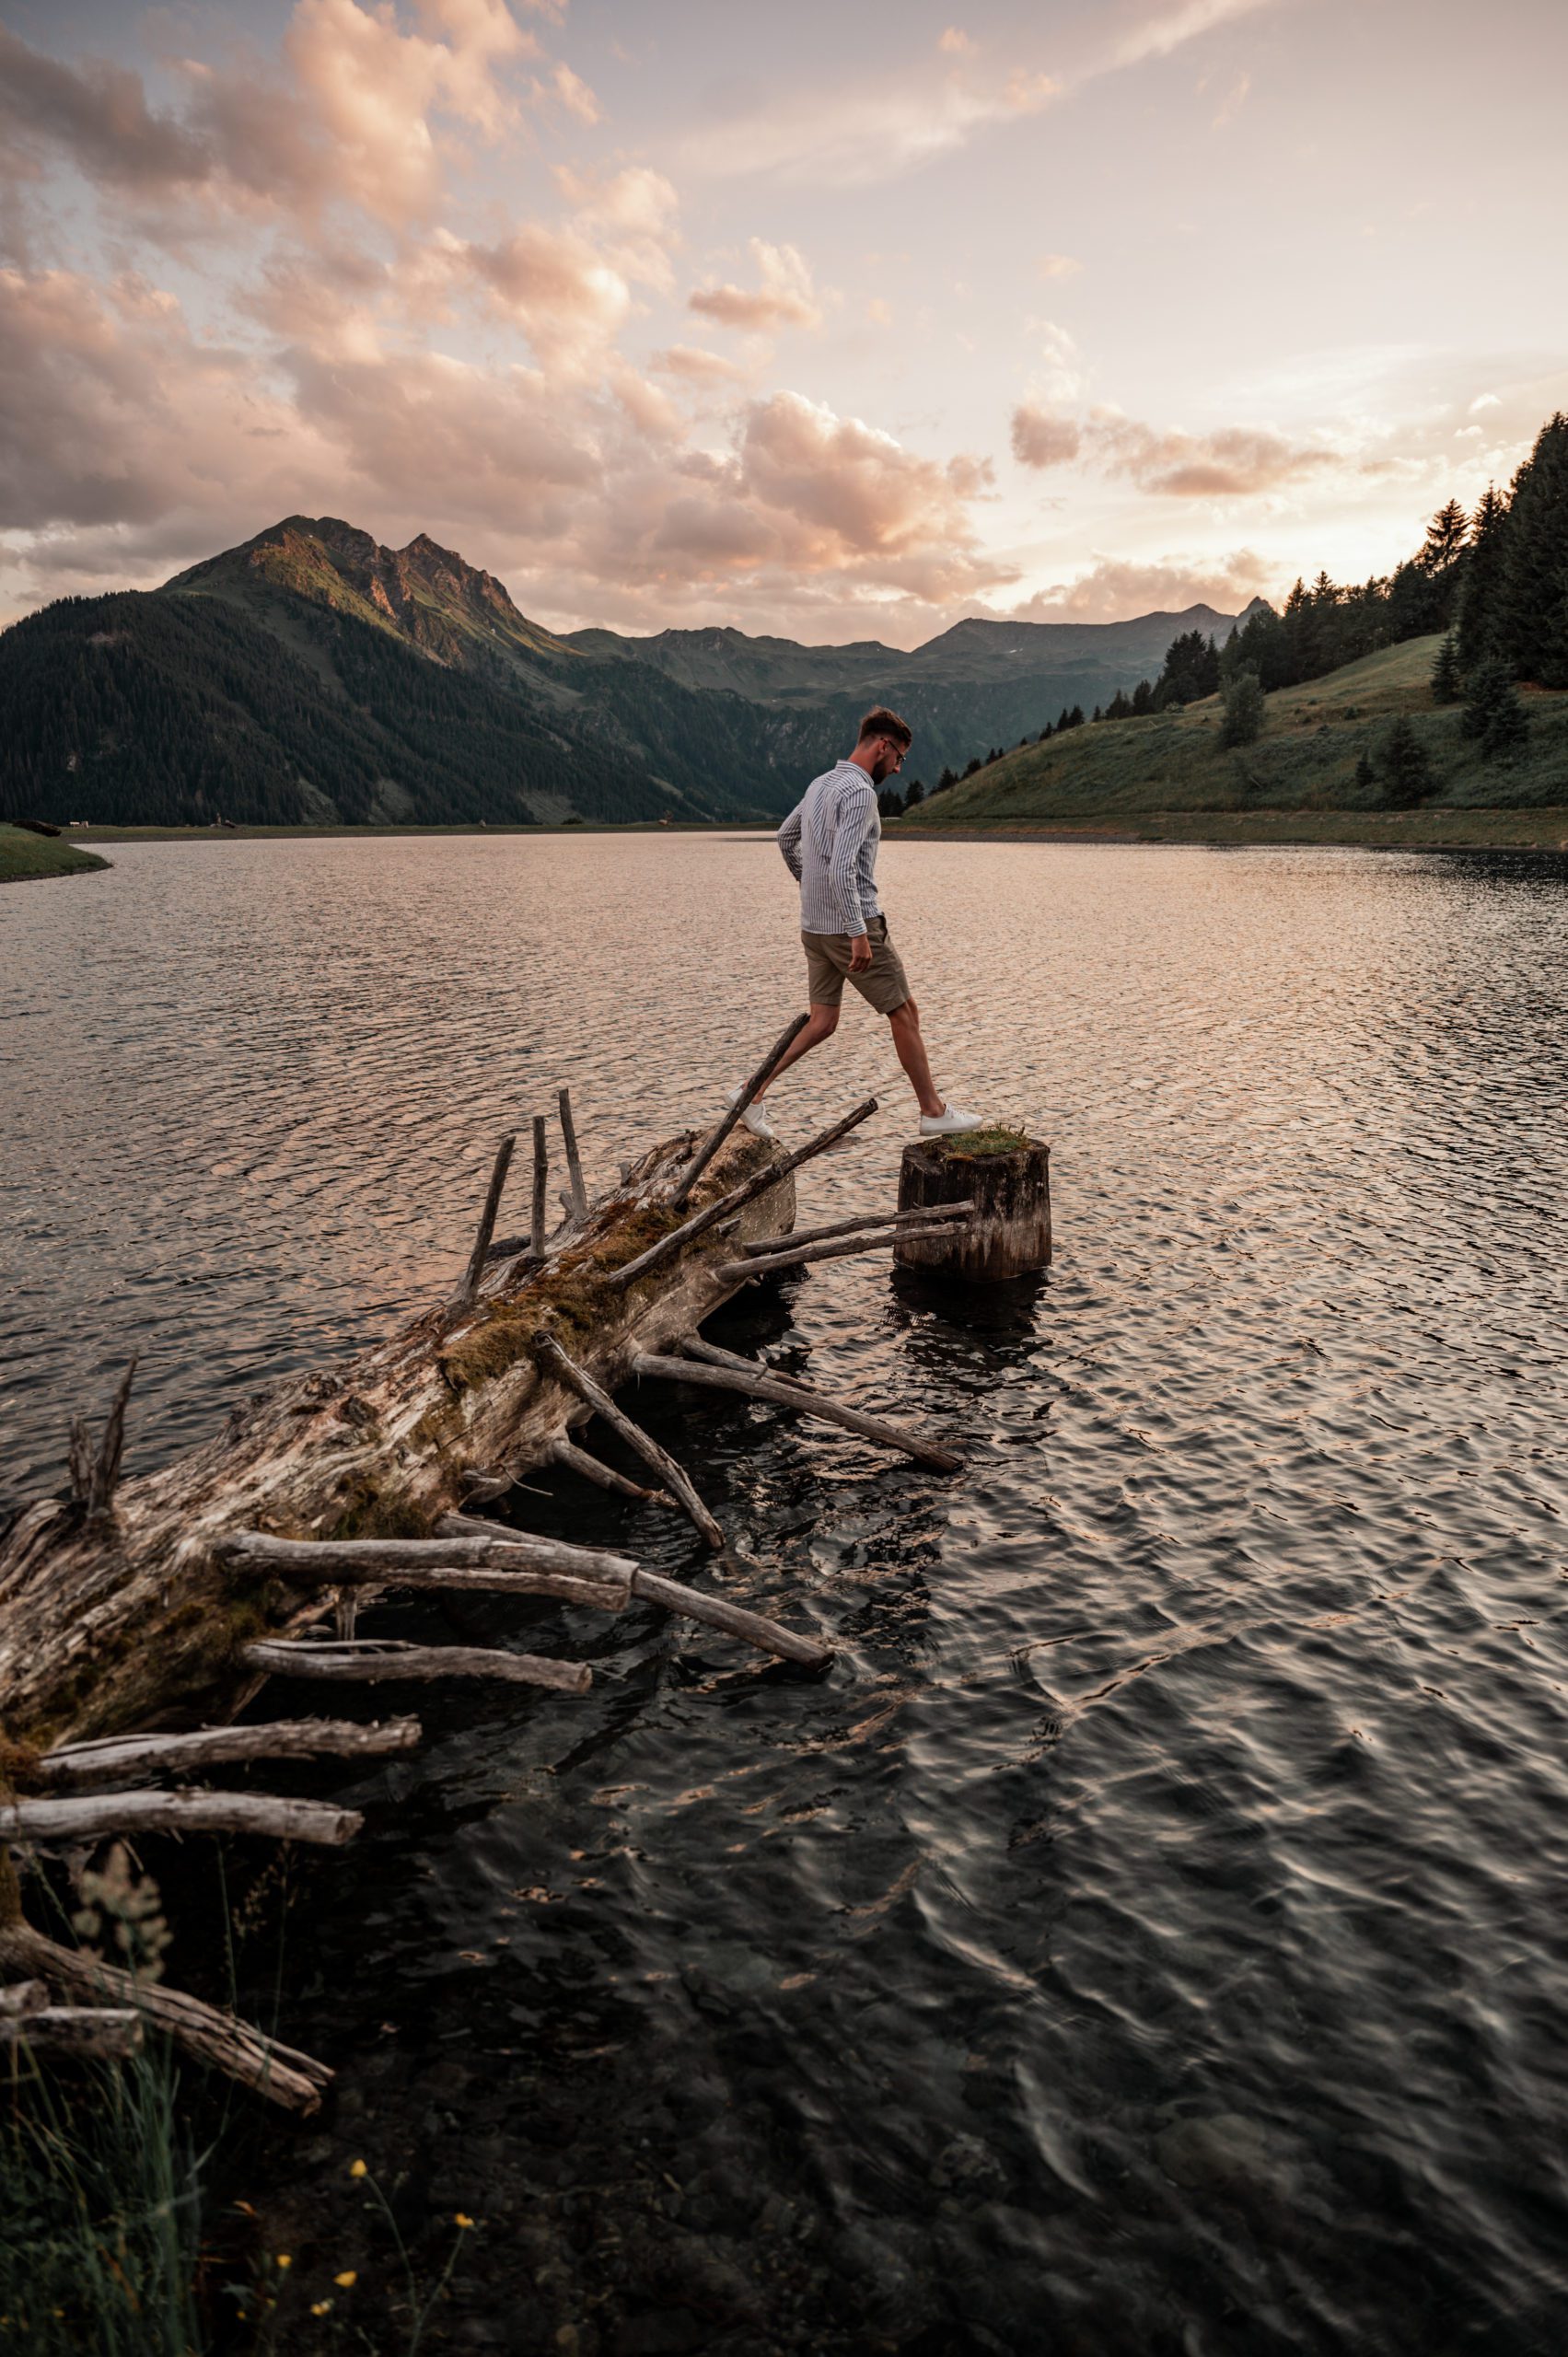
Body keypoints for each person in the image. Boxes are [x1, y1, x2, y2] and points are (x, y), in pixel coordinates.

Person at [731, 706, 982, 1140]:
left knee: (822, 1021)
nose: (899, 767)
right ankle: (933, 1111)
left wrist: (809, 886)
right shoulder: (860, 793)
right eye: (899, 757)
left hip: (813, 926)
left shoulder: (819, 784)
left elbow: (786, 838)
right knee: (904, 1011)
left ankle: (750, 1095)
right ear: (882, 745)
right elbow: (845, 867)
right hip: (852, 924)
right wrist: (857, 932)